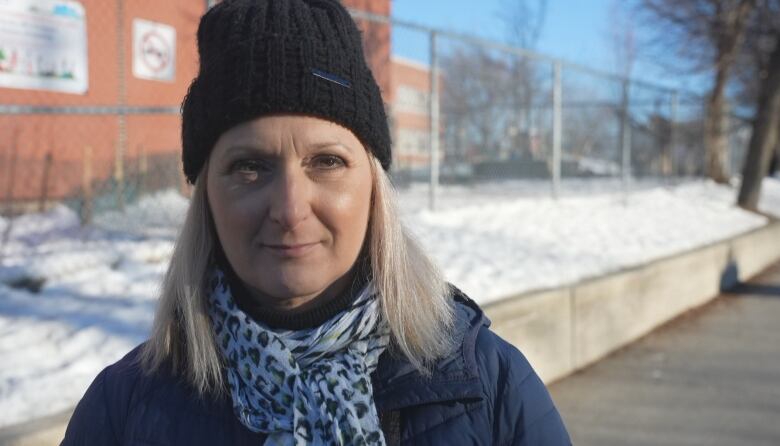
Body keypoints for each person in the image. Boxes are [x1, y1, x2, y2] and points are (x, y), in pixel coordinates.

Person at [61, 0, 571, 444]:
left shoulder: (491, 387)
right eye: (249, 166)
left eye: (326, 162)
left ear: (374, 188)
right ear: (207, 195)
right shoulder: (121, 409)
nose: (289, 208)